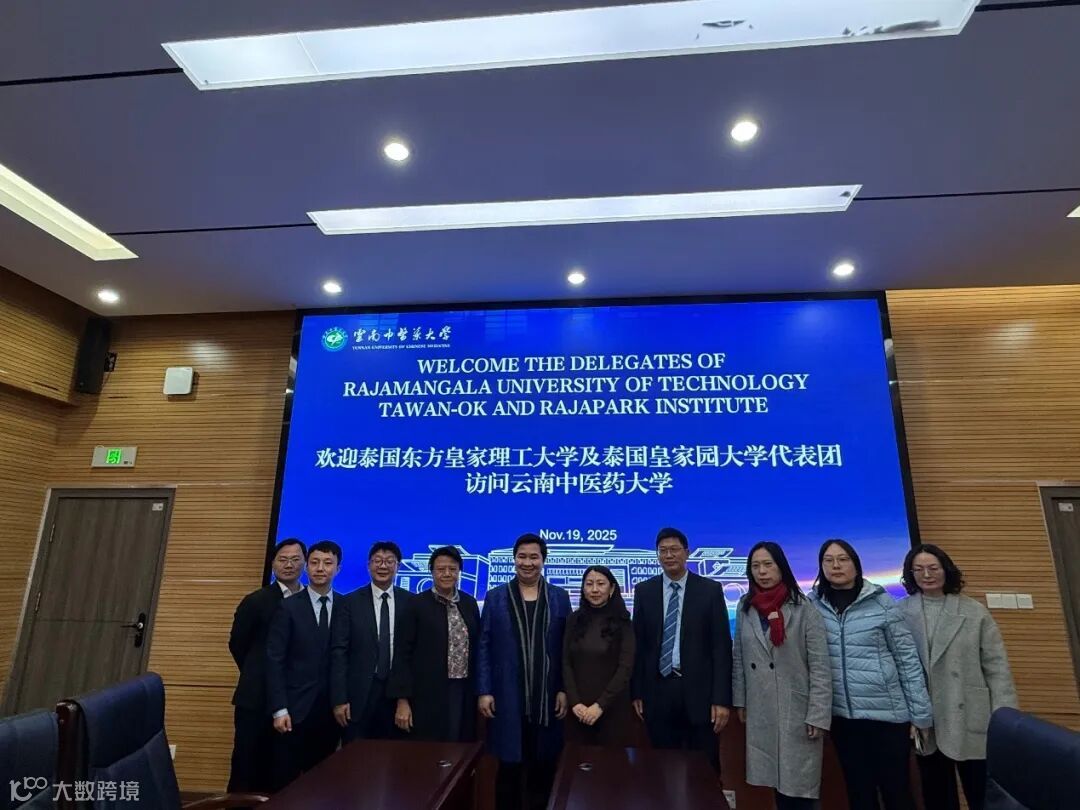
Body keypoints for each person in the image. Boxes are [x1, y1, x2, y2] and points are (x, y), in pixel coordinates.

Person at [807, 539, 932, 810]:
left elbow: (907, 660)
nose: (836, 565)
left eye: (843, 559)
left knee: (897, 792)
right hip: (842, 719)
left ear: (856, 564)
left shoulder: (881, 603)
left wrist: (920, 714)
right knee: (859, 793)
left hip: (887, 717)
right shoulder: (813, 606)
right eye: (828, 560)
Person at [899, 543, 1018, 810]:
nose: (927, 575)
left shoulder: (974, 611)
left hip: (970, 711)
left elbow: (997, 667)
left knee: (982, 793)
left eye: (933, 568)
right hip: (927, 719)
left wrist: (1005, 717)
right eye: (918, 569)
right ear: (910, 574)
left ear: (946, 570)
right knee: (937, 796)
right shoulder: (900, 613)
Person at [732, 541, 831, 810]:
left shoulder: (803, 607)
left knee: (799, 787)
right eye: (755, 566)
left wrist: (818, 714)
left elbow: (820, 666)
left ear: (781, 567)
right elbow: (739, 657)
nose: (762, 572)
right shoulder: (745, 606)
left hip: (796, 708)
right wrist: (741, 701)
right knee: (776, 783)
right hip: (761, 705)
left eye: (768, 564)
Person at [477, 533, 572, 810]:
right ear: (514, 559)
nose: (527, 563)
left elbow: (566, 649)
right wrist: (484, 690)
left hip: (547, 698)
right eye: (522, 557)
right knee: (508, 769)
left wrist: (564, 689)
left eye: (534, 557)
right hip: (507, 696)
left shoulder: (559, 597)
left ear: (543, 560)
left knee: (544, 768)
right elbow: (484, 645)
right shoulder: (496, 597)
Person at [631, 527, 733, 774]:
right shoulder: (644, 591)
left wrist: (721, 699)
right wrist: (637, 692)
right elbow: (639, 646)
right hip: (658, 691)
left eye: (674, 550)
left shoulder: (709, 590)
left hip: (700, 693)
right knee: (662, 767)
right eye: (663, 551)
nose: (669, 555)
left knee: (704, 767)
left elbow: (721, 647)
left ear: (687, 553)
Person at [227, 538, 306, 793]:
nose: (289, 565)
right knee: (247, 765)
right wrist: (258, 672)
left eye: (295, 560)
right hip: (256, 698)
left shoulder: (310, 601)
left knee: (282, 769)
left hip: (294, 700)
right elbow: (238, 644)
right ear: (273, 564)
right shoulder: (256, 600)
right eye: (283, 559)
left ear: (304, 564)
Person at [265, 540, 343, 789]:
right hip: (294, 710)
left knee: (322, 783)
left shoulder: (346, 606)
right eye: (314, 562)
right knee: (285, 782)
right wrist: (279, 709)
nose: (320, 568)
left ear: (338, 569)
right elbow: (274, 660)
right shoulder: (288, 606)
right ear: (307, 567)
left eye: (328, 563)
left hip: (330, 712)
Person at [388, 545, 481, 742]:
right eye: (441, 569)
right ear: (431, 571)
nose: (447, 573)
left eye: (452, 569)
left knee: (460, 741)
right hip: (426, 692)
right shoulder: (415, 604)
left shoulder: (469, 603)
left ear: (459, 571)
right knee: (429, 747)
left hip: (463, 689)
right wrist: (402, 700)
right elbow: (402, 654)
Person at [331, 541, 413, 742]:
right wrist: (339, 699)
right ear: (369, 565)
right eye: (377, 561)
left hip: (396, 693)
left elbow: (412, 654)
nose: (383, 566)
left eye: (389, 561)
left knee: (394, 755)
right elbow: (339, 652)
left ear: (398, 566)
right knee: (355, 755)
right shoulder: (350, 602)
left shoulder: (411, 602)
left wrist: (406, 698)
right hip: (358, 695)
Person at [562, 565, 635, 746]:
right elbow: (565, 662)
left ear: (612, 588)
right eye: (589, 584)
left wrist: (600, 705)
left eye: (601, 584)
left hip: (612, 709)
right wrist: (575, 703)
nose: (594, 589)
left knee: (611, 762)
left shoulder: (623, 621)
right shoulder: (573, 620)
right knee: (576, 761)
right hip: (577, 711)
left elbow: (625, 668)